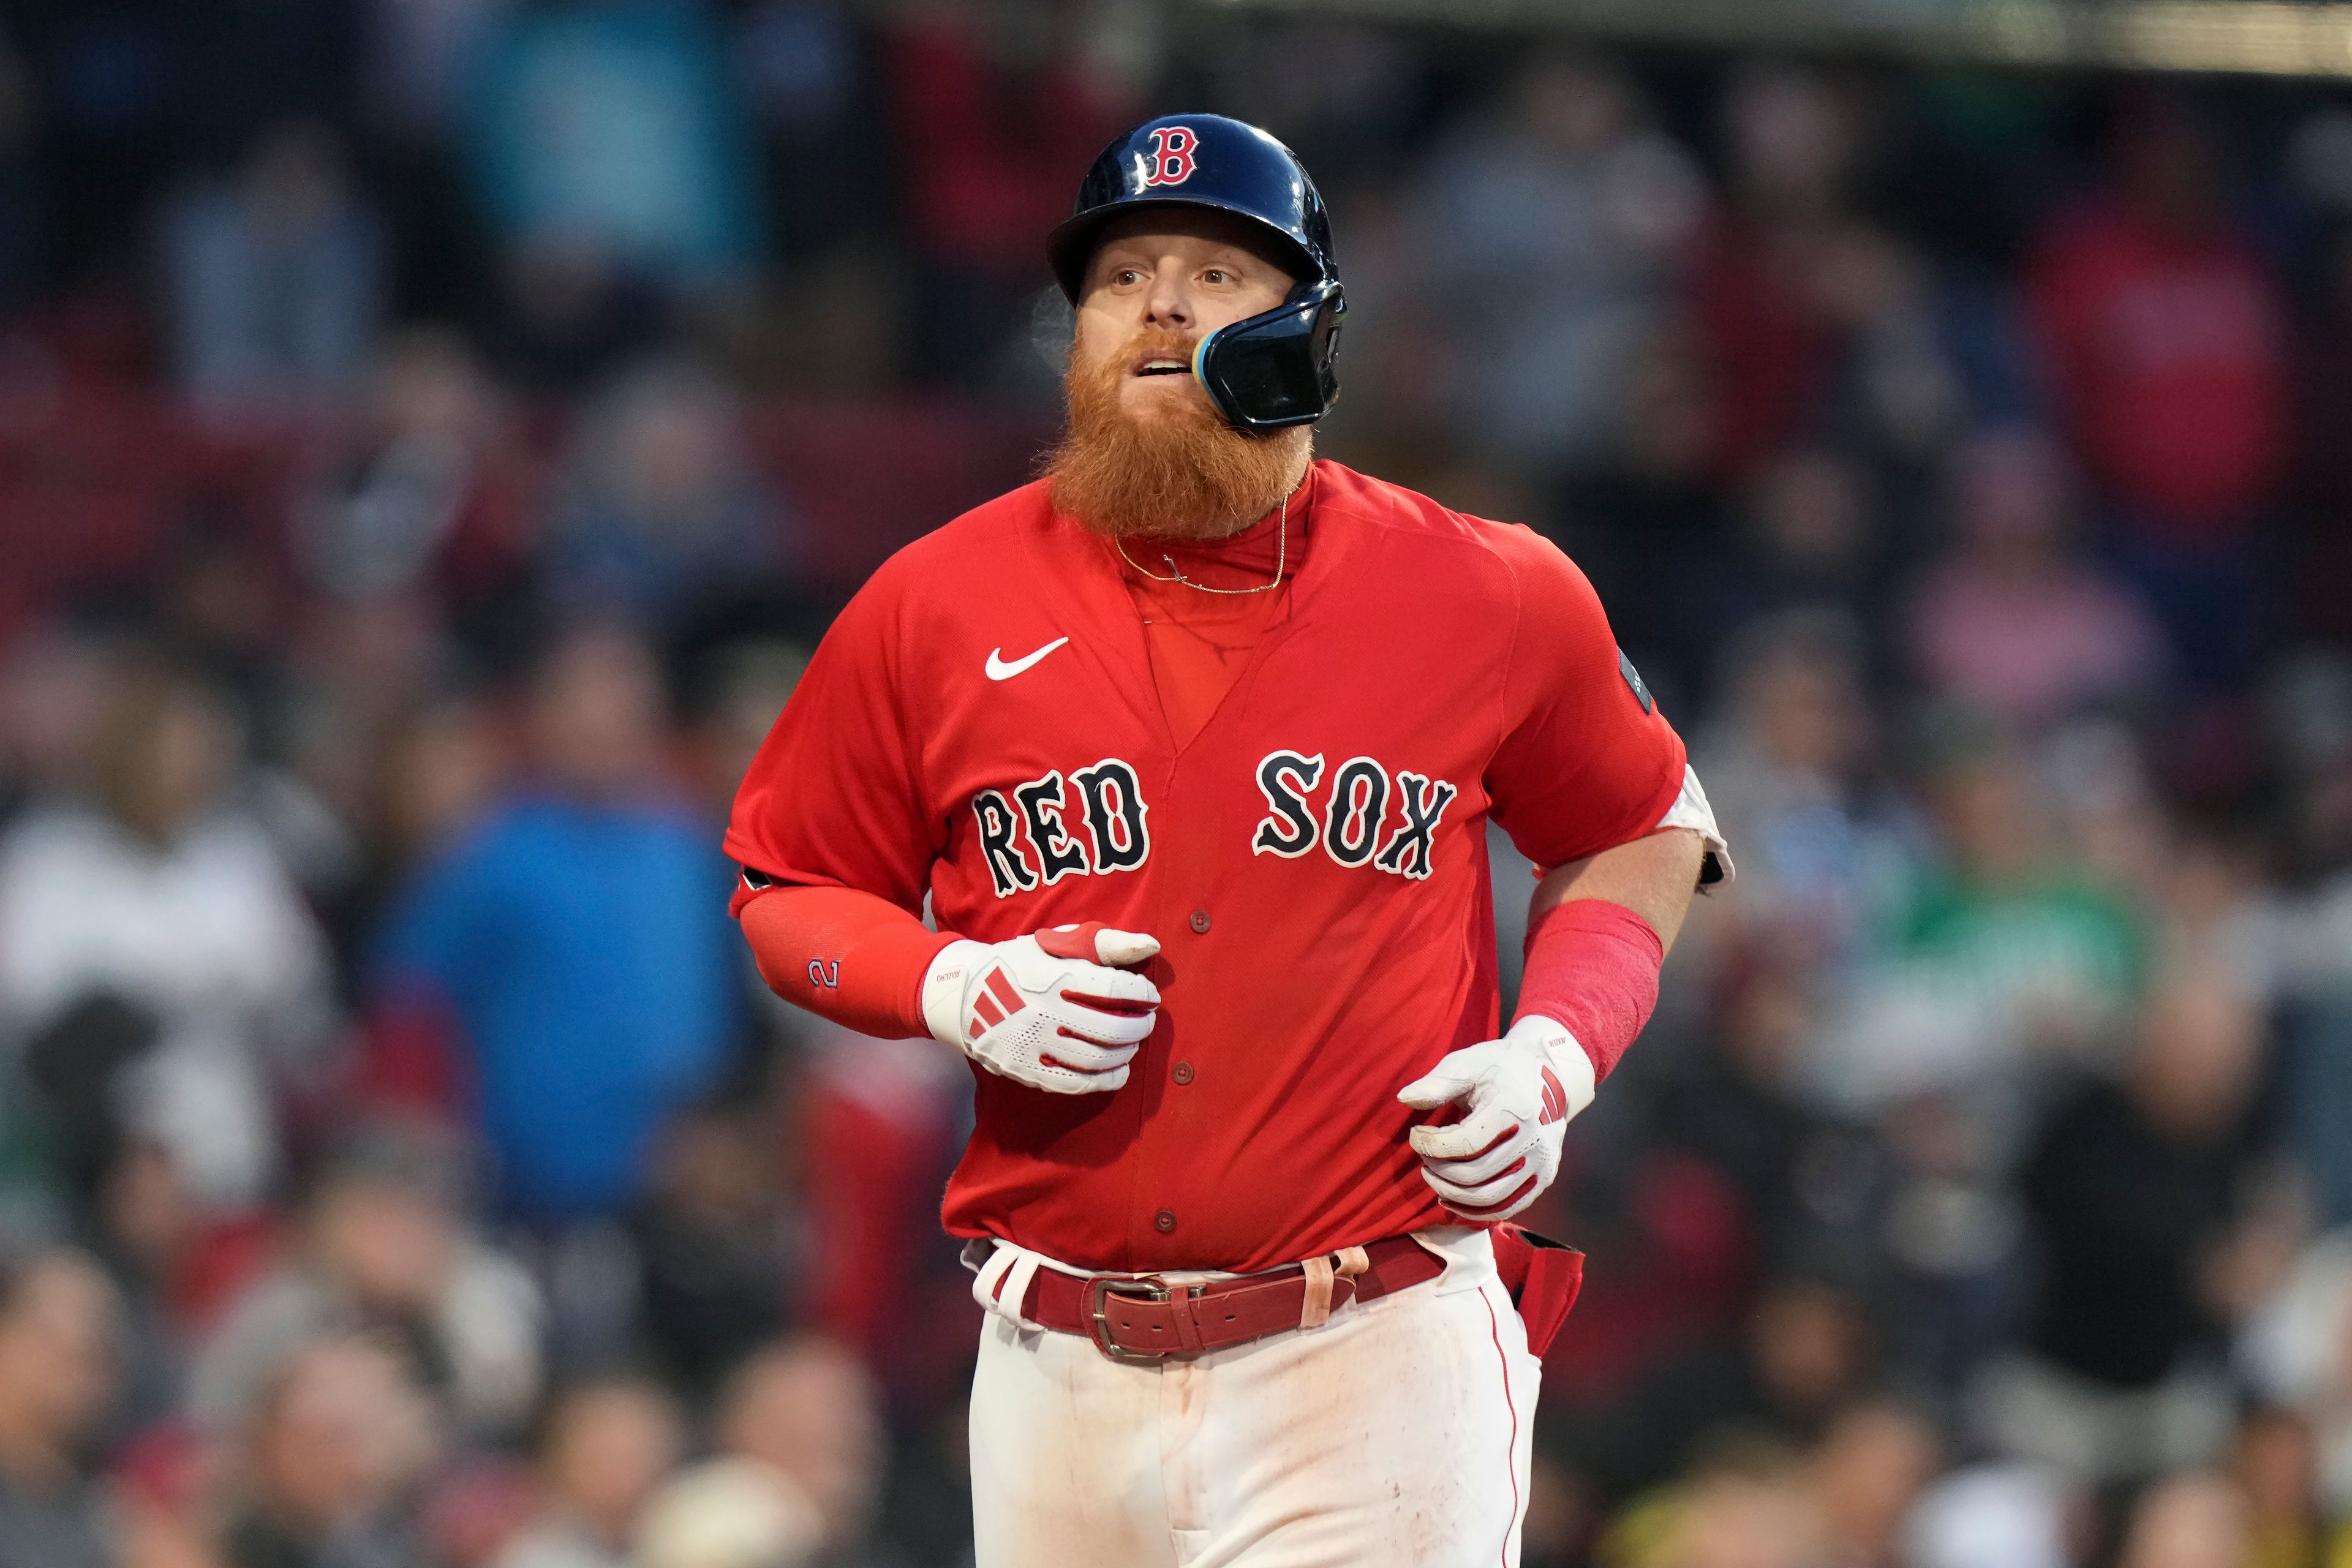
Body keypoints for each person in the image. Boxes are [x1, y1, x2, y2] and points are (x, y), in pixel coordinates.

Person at [723, 115, 1729, 1566]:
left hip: (1369, 1348)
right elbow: (785, 886)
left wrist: (1553, 1054)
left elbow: (1644, 827)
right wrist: (949, 984)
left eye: (1217, 271)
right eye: (1124, 274)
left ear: (1310, 330)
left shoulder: (1485, 589)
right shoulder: (931, 602)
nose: (1164, 304)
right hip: (1050, 1360)